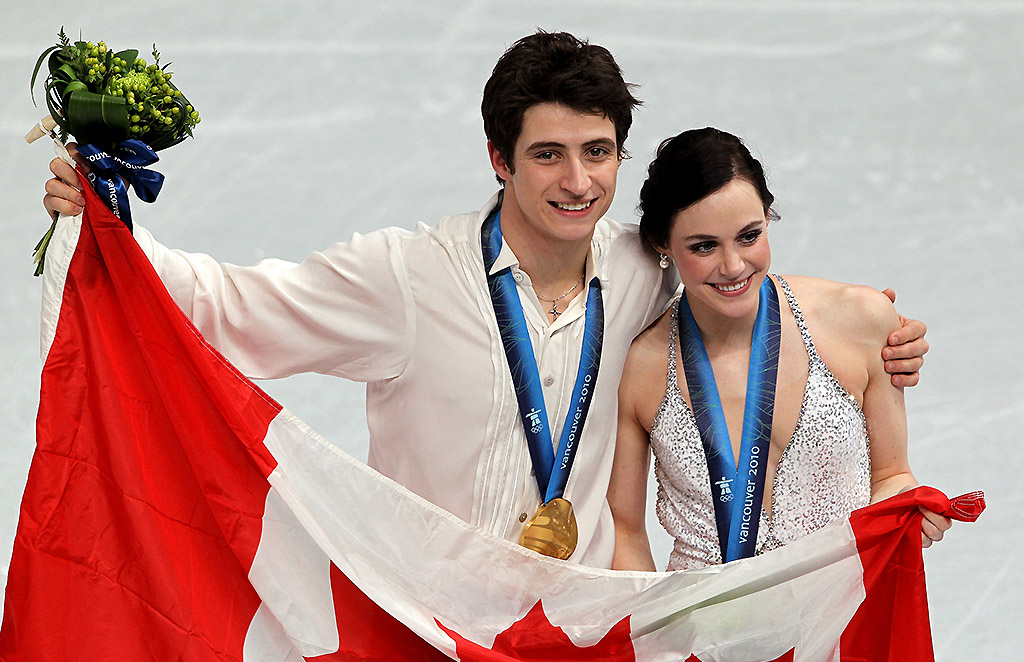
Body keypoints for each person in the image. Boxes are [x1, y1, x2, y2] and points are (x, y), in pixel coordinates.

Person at [39, 32, 929, 568]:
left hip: (579, 639)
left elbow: (738, 276)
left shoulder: (641, 270)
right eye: (548, 154)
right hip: (429, 630)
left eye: (598, 151)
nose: (578, 181)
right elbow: (225, 306)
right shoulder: (404, 279)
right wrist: (110, 230)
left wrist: (880, 332)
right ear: (500, 158)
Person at [608, 127, 948, 572]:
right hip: (703, 633)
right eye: (704, 246)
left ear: (768, 216)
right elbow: (625, 531)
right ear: (662, 245)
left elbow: (891, 475)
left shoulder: (859, 320)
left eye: (749, 236)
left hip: (840, 624)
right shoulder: (638, 367)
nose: (733, 266)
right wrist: (656, 637)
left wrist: (908, 509)